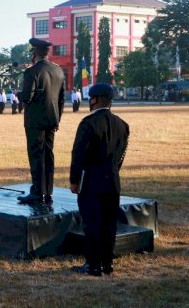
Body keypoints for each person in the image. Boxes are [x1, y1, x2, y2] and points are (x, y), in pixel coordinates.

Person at [69, 83, 130, 276]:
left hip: (92, 179)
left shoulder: (88, 123)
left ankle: (93, 264)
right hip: (112, 178)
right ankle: (107, 263)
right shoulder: (122, 124)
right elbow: (121, 155)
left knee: (92, 222)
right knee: (109, 222)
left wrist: (74, 179)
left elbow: (78, 154)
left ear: (95, 99)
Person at [17, 38, 66, 204]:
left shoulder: (31, 72)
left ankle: (37, 192)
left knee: (36, 155)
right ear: (48, 53)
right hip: (52, 119)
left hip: (35, 121)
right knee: (48, 155)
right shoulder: (58, 71)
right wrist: (57, 119)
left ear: (34, 53)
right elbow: (61, 98)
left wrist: (19, 94)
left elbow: (27, 97)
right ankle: (48, 191)